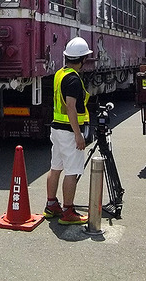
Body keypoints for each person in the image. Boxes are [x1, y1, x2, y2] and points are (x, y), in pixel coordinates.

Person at [44, 36, 93, 225]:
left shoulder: (60, 74)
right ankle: (68, 211)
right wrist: (78, 135)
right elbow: (71, 107)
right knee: (71, 171)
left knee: (55, 167)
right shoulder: (73, 79)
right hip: (68, 131)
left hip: (56, 128)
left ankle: (51, 205)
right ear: (82, 59)